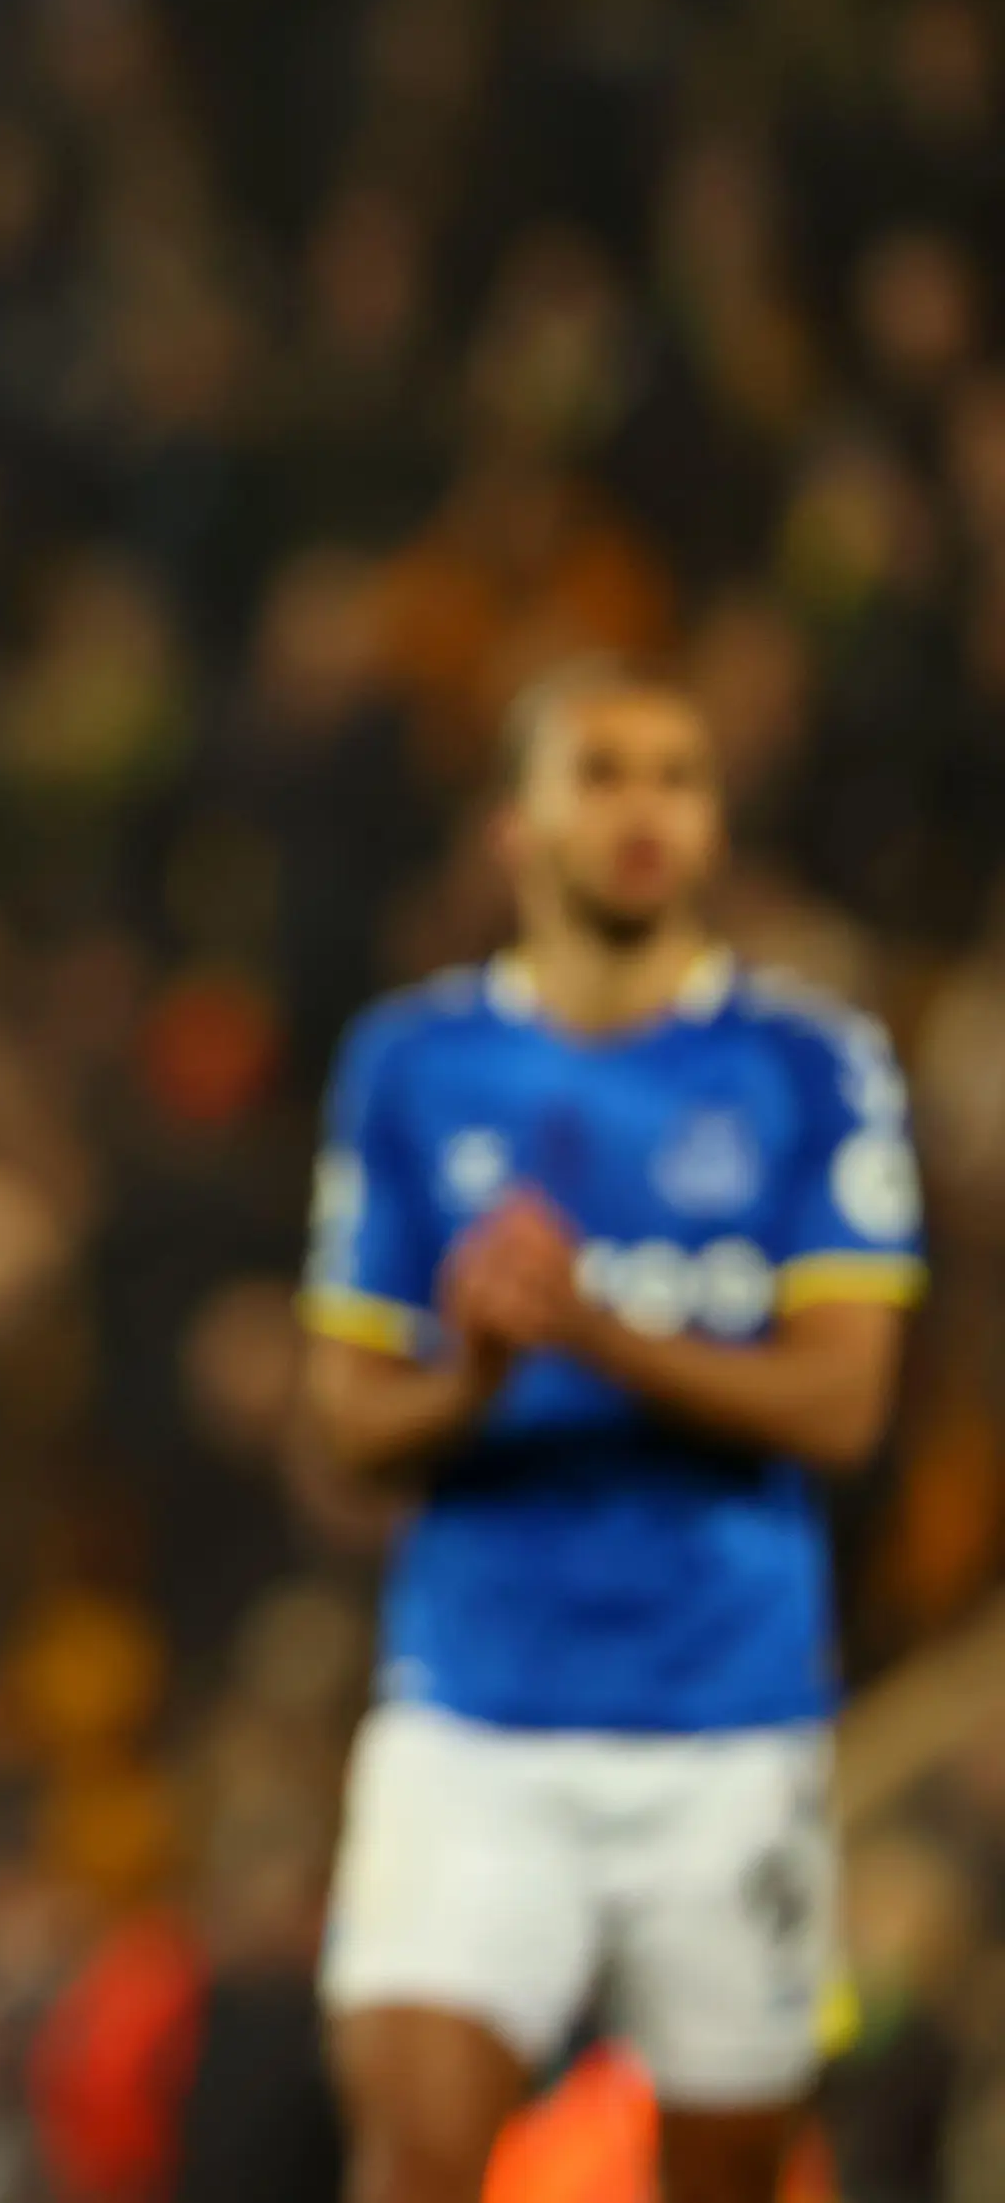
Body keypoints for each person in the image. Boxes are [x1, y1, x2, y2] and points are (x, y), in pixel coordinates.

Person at [299, 662, 924, 2203]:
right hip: (473, 1718)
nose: (646, 810)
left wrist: (595, 1331)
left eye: (678, 777)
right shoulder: (412, 1065)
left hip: (732, 1726)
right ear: (515, 825)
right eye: (603, 773)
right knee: (414, 2157)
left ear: (713, 826)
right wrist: (475, 1371)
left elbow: (844, 1404)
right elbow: (352, 1425)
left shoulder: (812, 1065)